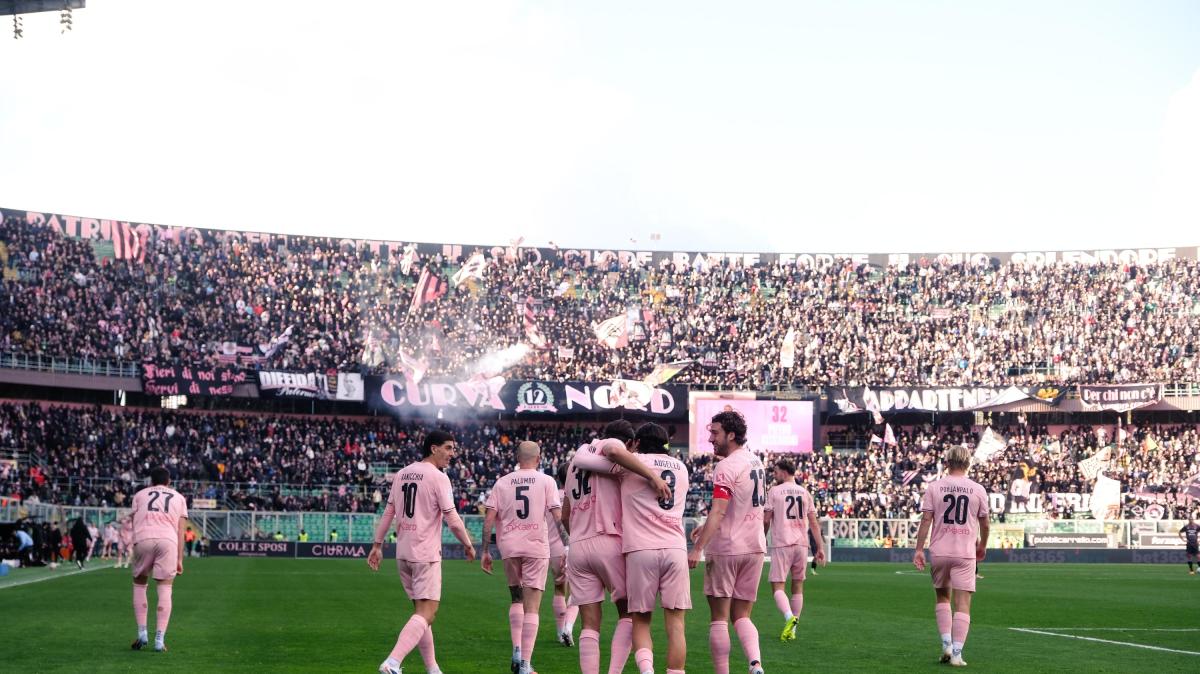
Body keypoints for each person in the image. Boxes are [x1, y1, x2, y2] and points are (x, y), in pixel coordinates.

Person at [573, 422, 690, 674]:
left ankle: (647, 671)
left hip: (640, 550)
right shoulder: (682, 467)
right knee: (676, 625)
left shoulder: (629, 465)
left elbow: (586, 460)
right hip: (675, 548)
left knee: (640, 621)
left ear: (636, 443)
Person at [368, 429, 477, 674]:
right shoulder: (438, 477)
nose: (452, 453)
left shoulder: (402, 474)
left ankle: (432, 668)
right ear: (433, 448)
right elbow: (452, 518)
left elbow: (389, 512)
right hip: (425, 554)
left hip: (404, 554)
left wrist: (377, 545)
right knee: (428, 613)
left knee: (420, 614)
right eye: (448, 448)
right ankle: (392, 662)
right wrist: (468, 544)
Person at [688, 410, 768, 674]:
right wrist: (706, 527)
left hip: (727, 548)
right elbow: (740, 505)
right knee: (742, 615)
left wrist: (698, 548)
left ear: (731, 435)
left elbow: (719, 510)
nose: (711, 438)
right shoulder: (756, 461)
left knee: (719, 619)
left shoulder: (726, 466)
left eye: (715, 433)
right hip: (754, 547)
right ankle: (755, 664)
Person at [480, 440, 562, 674]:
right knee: (532, 608)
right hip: (536, 547)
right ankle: (525, 664)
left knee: (516, 599)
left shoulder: (502, 482)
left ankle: (517, 650)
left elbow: (488, 520)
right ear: (539, 459)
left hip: (509, 547)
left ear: (517, 459)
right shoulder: (547, 481)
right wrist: (567, 546)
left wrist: (485, 550)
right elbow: (557, 518)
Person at [912, 445, 989, 667]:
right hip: (965, 553)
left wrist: (919, 549)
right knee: (963, 603)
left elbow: (926, 520)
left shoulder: (934, 487)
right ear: (968, 463)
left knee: (942, 598)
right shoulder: (977, 489)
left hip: (940, 551)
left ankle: (946, 644)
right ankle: (956, 654)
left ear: (947, 463)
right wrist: (983, 545)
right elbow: (985, 523)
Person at [763, 459, 825, 642]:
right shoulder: (805, 493)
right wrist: (820, 547)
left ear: (784, 472)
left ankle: (789, 617)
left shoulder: (774, 491)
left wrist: (761, 537)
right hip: (801, 544)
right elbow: (814, 523)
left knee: (777, 586)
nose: (774, 475)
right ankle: (793, 631)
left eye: (776, 472)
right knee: (797, 586)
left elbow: (766, 519)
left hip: (782, 543)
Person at [130, 466, 189, 652]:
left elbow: (134, 523)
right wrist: (179, 558)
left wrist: (135, 545)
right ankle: (159, 639)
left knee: (139, 584)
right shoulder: (179, 497)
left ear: (151, 481)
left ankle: (142, 632)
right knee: (165, 588)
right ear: (169, 481)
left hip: (143, 538)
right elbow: (181, 530)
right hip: (168, 541)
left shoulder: (139, 495)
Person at [548, 464, 578, 648]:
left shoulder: (550, 497)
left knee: (559, 589)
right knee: (578, 591)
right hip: (573, 546)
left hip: (552, 548)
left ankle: (560, 633)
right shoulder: (575, 495)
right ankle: (568, 627)